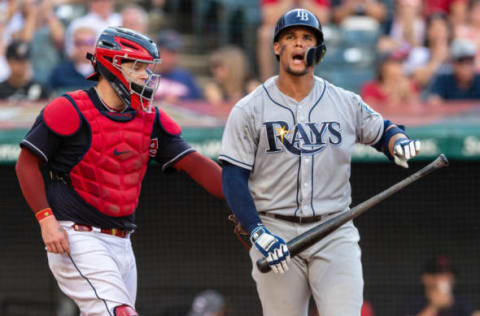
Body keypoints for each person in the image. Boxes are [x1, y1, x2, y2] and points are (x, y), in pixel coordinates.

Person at [220, 8, 420, 316]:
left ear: (319, 50)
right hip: (277, 231)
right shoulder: (249, 109)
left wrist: (399, 144)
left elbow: (383, 131)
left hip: (334, 229)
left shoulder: (344, 101)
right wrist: (258, 231)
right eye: (290, 37)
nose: (299, 44)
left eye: (307, 38)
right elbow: (233, 177)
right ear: (277, 47)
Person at [15, 27, 223, 316]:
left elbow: (194, 163)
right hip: (77, 238)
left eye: (147, 68)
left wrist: (242, 197)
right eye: (137, 67)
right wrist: (45, 219)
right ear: (111, 65)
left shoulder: (150, 118)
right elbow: (26, 163)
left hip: (123, 243)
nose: (144, 75)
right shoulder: (70, 108)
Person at [404, 256, 477, 316]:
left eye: (448, 273)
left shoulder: (460, 301)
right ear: (425, 278)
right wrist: (434, 307)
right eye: (438, 273)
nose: (444, 277)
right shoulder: (414, 302)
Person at [153, 29, 203, 102]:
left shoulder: (185, 77)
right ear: (157, 51)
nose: (172, 58)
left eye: (176, 53)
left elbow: (198, 103)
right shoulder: (145, 75)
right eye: (169, 52)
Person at [428, 38, 480, 104]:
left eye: (470, 61)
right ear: (453, 64)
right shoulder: (443, 80)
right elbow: (434, 101)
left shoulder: (478, 80)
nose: (466, 66)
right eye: (461, 61)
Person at [49, 26, 97, 94]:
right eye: (79, 43)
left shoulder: (105, 74)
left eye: (89, 42)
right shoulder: (60, 72)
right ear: (72, 45)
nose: (84, 47)